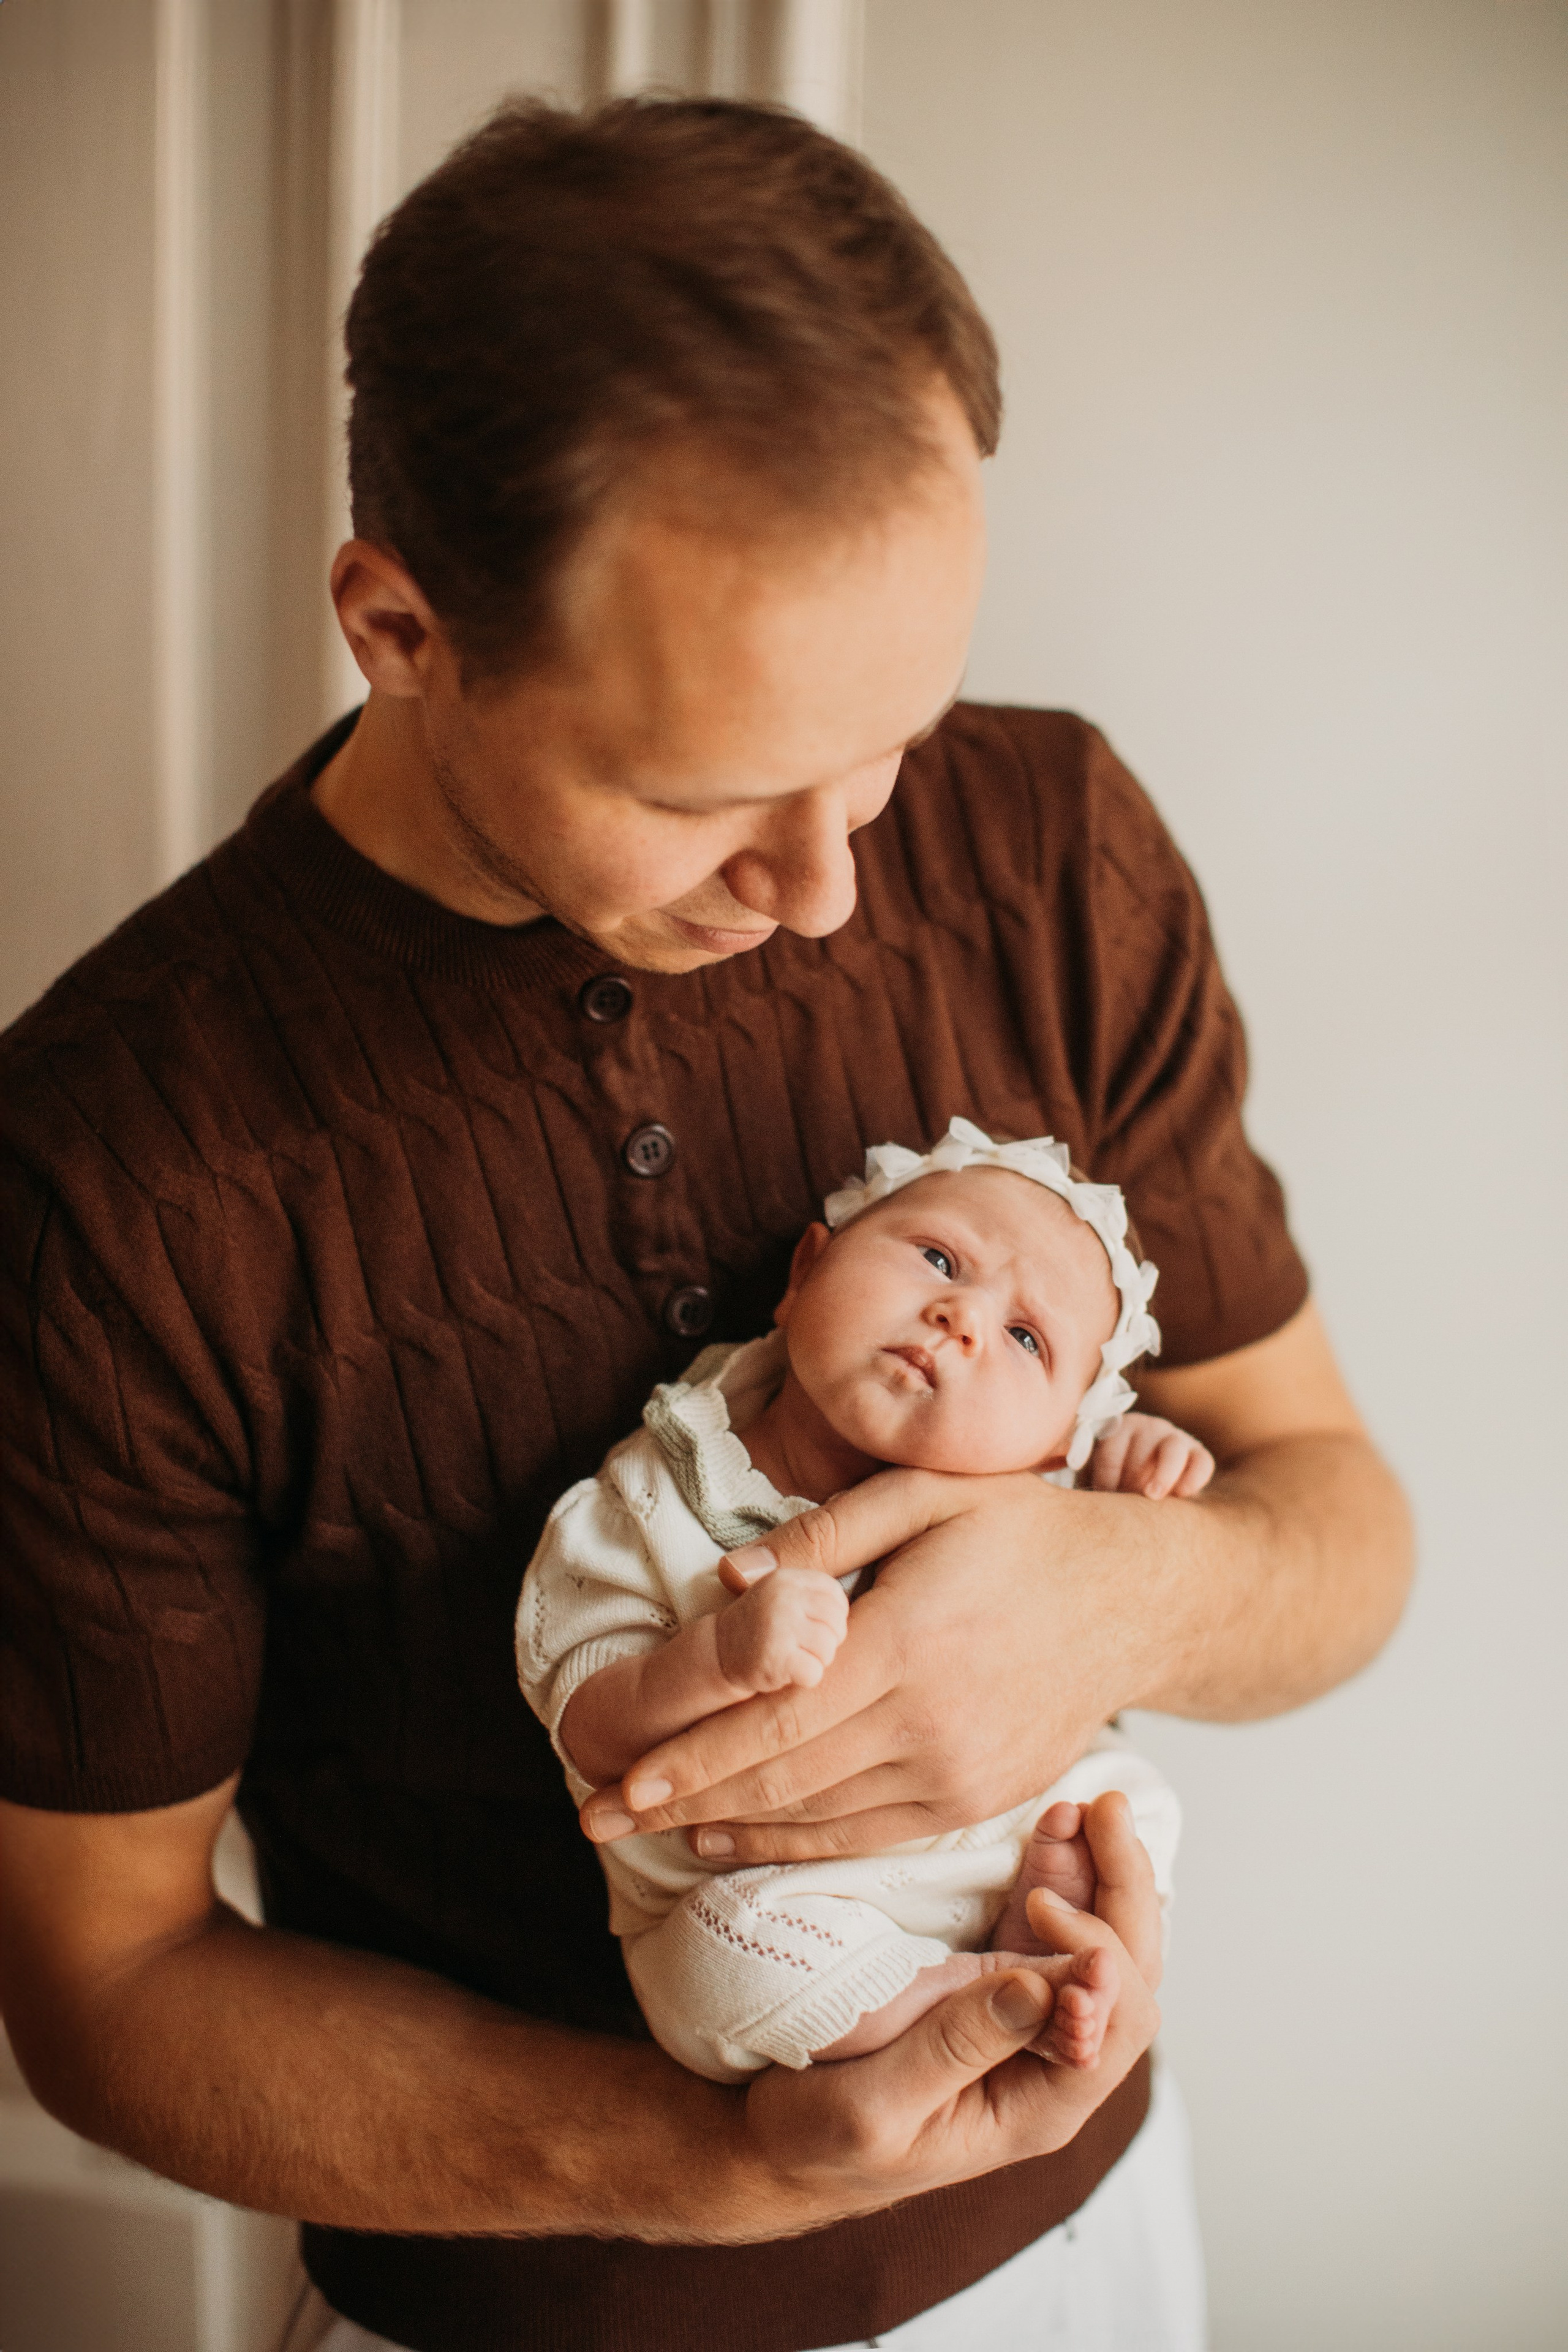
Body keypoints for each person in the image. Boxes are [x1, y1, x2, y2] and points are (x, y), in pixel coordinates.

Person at [0, 96, 1411, 2352]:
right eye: (707, 792)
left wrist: (1114, 1595)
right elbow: (104, 1985)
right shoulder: (114, 1166)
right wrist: (716, 2173)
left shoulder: (1051, 847)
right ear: (402, 625)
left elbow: (1342, 1531)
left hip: (1104, 2268)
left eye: (889, 744)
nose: (835, 883)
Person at [520, 1121, 1205, 2083]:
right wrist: (713, 1662)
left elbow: (1123, 1584)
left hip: (1005, 1836)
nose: (960, 1317)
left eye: (1023, 1337)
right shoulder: (658, 1494)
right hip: (786, 1903)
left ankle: (1044, 1923)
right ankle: (970, 1995)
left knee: (1136, 1803)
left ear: (1062, 1444)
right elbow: (588, 1728)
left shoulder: (1044, 1504)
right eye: (938, 1257)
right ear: (807, 1270)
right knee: (706, 1967)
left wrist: (1134, 1489)